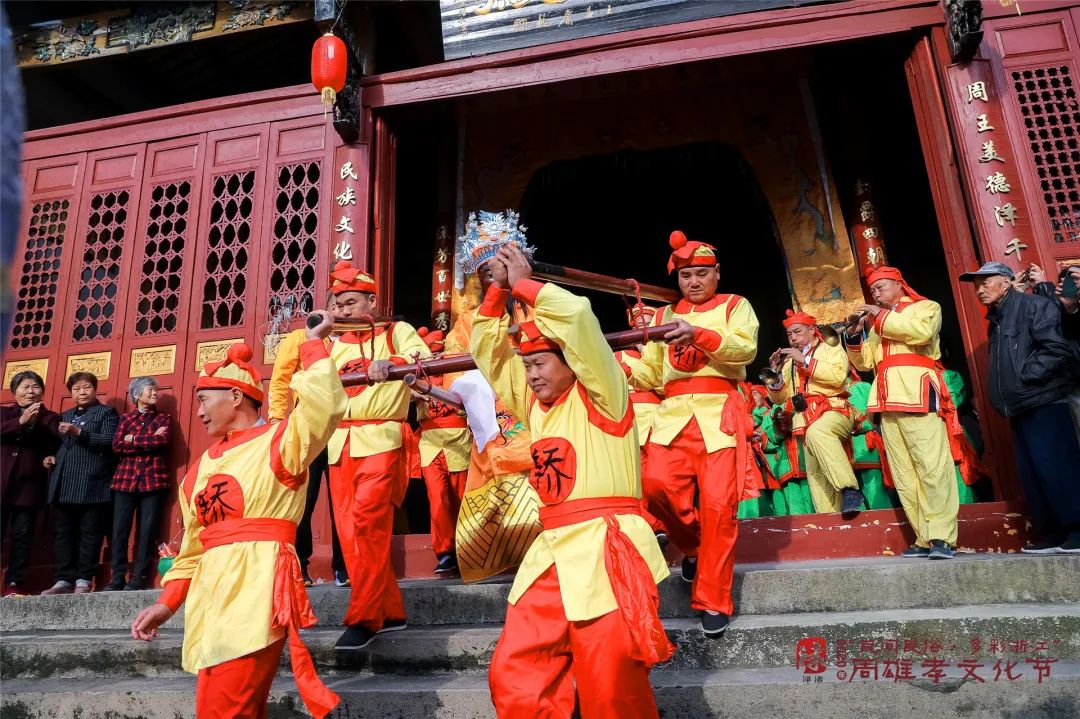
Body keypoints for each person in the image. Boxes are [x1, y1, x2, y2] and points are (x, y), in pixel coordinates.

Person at [474, 243, 673, 719]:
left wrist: (525, 282)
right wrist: (496, 294)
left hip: (608, 551)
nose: (531, 375)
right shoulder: (536, 407)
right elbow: (489, 355)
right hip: (552, 554)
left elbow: (580, 319)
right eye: (527, 366)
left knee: (612, 687)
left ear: (573, 362)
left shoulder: (604, 393)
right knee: (515, 670)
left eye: (540, 363)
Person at [130, 326, 347, 719]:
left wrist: (313, 344)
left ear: (235, 395)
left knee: (225, 709)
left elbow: (325, 407)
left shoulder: (282, 440)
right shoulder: (198, 470)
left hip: (257, 587)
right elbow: (193, 550)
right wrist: (167, 603)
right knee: (220, 707)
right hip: (211, 602)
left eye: (203, 399)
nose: (196, 412)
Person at [622, 230, 759, 636]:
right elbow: (650, 371)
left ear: (716, 272)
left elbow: (745, 349)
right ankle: (696, 547)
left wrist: (699, 334)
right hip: (673, 416)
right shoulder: (663, 316)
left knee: (719, 509)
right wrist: (615, 367)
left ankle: (714, 599)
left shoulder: (736, 305)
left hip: (720, 416)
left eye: (701, 273)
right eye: (686, 276)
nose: (693, 282)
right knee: (653, 484)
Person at [325, 260, 431, 650]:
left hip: (381, 438)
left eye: (351, 302)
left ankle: (364, 617)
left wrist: (395, 362)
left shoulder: (396, 331)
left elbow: (424, 363)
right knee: (351, 534)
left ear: (372, 300)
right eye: (338, 304)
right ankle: (390, 611)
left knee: (369, 525)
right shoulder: (332, 342)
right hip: (340, 443)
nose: (343, 311)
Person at [959, 262, 1080, 554]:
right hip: (1018, 405)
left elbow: (1056, 349)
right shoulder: (997, 319)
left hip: (1044, 400)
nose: (980, 289)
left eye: (986, 282)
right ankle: (1052, 533)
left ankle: (1076, 530)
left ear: (1006, 281)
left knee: (1058, 468)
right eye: (977, 285)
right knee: (1034, 474)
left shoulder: (1033, 306)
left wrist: (1026, 378)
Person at [448, 211, 542, 583]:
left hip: (539, 401)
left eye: (502, 267)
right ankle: (509, 555)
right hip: (494, 410)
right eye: (487, 272)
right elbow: (456, 366)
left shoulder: (536, 303)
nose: (495, 277)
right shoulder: (467, 321)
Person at [845, 266, 960, 560]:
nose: (876, 293)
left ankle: (941, 537)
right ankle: (923, 537)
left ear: (899, 285)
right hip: (886, 400)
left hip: (917, 393)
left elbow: (921, 333)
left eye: (882, 287)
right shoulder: (877, 324)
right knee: (904, 474)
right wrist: (855, 335)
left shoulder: (926, 307)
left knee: (932, 467)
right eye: (873, 289)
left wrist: (878, 316)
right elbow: (865, 362)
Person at [268, 308, 348, 587]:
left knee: (343, 500)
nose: (340, 311)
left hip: (346, 426)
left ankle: (344, 567)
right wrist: (278, 419)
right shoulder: (299, 337)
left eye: (345, 306)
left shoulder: (352, 339)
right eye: (335, 305)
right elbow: (280, 379)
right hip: (309, 425)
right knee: (302, 499)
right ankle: (299, 565)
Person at [765, 310, 864, 515]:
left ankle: (850, 489)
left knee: (817, 432)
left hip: (834, 411)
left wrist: (805, 361)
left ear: (811, 330)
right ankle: (830, 523)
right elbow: (779, 399)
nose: (793, 337)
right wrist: (775, 376)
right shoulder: (789, 362)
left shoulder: (830, 348)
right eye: (790, 334)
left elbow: (837, 377)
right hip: (804, 421)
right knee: (816, 476)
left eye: (797, 332)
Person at [41, 372, 119, 594]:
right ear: (71, 393)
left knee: (89, 533)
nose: (82, 392)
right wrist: (50, 457)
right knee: (64, 533)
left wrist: (79, 432)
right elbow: (58, 445)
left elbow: (110, 441)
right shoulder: (65, 415)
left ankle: (84, 579)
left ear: (95, 390)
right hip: (65, 483)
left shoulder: (106, 413)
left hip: (92, 483)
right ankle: (63, 579)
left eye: (86, 388)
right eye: (76, 389)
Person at [413, 328, 473, 575]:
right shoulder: (415, 373)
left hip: (458, 437)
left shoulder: (459, 369)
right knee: (438, 498)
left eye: (438, 354)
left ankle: (468, 549)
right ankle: (446, 552)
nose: (434, 360)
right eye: (430, 355)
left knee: (463, 497)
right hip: (430, 441)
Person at [107, 377, 172, 591]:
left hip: (153, 482)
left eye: (156, 390)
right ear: (137, 395)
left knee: (147, 531)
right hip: (125, 481)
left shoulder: (164, 419)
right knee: (119, 530)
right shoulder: (125, 418)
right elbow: (116, 445)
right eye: (150, 390)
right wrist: (147, 438)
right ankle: (117, 577)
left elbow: (162, 441)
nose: (155, 393)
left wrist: (132, 440)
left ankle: (139, 578)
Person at [1, 371, 60, 596]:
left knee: (22, 536)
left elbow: (56, 441)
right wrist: (20, 421)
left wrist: (38, 418)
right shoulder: (4, 414)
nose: (30, 392)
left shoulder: (51, 418)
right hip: (3, 484)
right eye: (25, 387)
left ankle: (14, 583)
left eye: (35, 387)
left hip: (29, 487)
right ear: (15, 391)